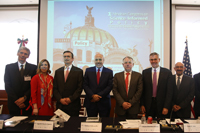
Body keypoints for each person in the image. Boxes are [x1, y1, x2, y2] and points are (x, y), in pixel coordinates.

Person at [4, 46, 37, 115]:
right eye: (21, 53)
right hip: (13, 103)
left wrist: (24, 98)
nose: (23, 55)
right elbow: (7, 85)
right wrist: (17, 101)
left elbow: (33, 86)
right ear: (17, 53)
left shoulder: (33, 68)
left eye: (25, 54)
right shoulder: (9, 67)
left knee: (26, 124)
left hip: (27, 103)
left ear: (28, 56)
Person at [141, 52, 172, 119]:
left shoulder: (167, 72)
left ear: (159, 60)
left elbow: (169, 91)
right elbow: (143, 90)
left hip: (162, 105)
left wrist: (166, 106)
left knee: (162, 126)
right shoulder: (145, 72)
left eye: (155, 59)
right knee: (148, 126)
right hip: (148, 105)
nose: (153, 61)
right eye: (151, 60)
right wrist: (142, 104)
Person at [53, 51, 83, 116]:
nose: (66, 58)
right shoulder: (58, 71)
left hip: (73, 105)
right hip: (61, 105)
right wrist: (60, 99)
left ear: (72, 59)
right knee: (60, 125)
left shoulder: (79, 71)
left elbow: (79, 88)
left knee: (72, 125)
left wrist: (70, 99)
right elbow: (55, 88)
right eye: (65, 56)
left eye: (68, 56)